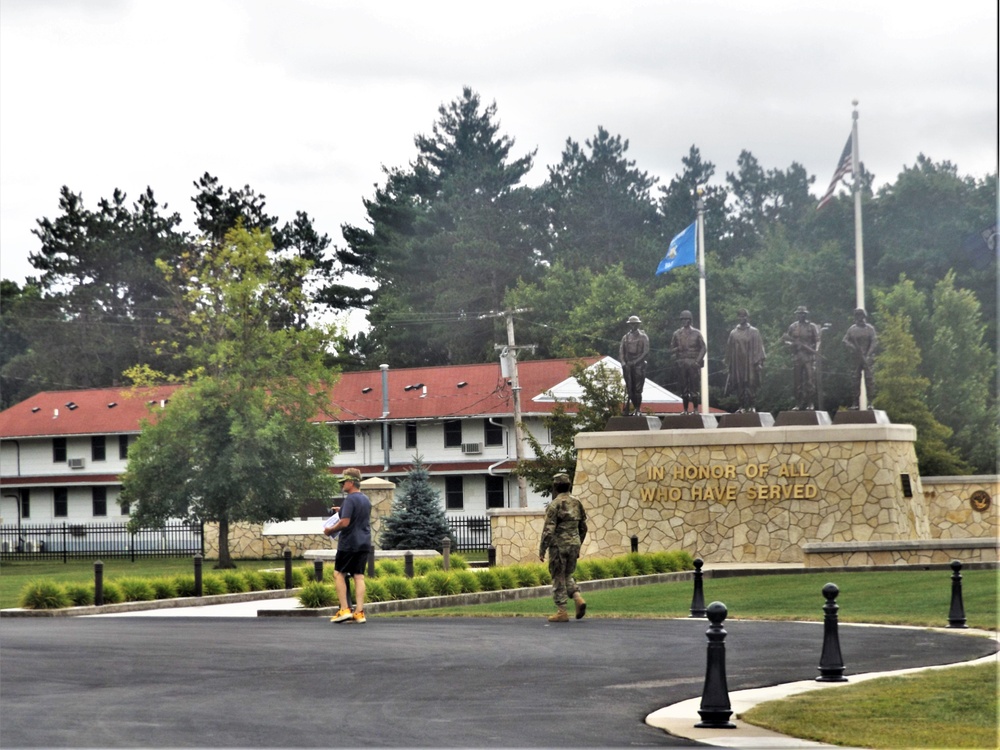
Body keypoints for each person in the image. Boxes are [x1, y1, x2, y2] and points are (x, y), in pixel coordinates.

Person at [538, 472, 588, 623]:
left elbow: (549, 529)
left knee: (558, 577)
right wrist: (578, 544)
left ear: (555, 487)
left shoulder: (555, 504)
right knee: (567, 575)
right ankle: (578, 598)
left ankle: (562, 611)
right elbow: (583, 527)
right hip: (574, 543)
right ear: (569, 485)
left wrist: (542, 549)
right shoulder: (577, 502)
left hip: (559, 546)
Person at [324, 468, 371, 624]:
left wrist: (330, 530)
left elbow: (345, 522)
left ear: (351, 483)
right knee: (359, 576)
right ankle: (359, 612)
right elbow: (356, 515)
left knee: (339, 574)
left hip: (349, 543)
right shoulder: (365, 499)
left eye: (344, 482)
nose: (342, 485)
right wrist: (341, 510)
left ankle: (344, 609)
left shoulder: (350, 499)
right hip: (364, 542)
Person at [724, 309, 766, 412]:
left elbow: (759, 347)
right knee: (740, 384)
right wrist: (729, 364)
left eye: (744, 316)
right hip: (738, 363)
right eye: (740, 316)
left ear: (747, 317)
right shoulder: (733, 333)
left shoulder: (754, 331)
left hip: (750, 362)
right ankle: (742, 406)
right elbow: (729, 349)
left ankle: (752, 406)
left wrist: (759, 362)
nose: (742, 318)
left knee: (751, 384)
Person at [781, 305, 820, 410]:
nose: (801, 315)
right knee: (797, 382)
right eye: (799, 314)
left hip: (808, 357)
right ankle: (798, 404)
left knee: (810, 381)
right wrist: (791, 344)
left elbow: (817, 340)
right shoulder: (793, 327)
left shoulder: (812, 326)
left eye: (803, 314)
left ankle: (810, 403)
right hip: (797, 356)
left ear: (806, 314)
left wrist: (815, 351)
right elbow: (785, 340)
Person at [670, 310, 707, 414]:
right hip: (682, 363)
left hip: (693, 363)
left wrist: (697, 361)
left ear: (690, 320)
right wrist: (677, 349)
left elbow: (703, 348)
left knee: (694, 387)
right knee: (683, 387)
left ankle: (695, 409)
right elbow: (671, 349)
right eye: (683, 319)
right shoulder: (677, 334)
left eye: (686, 319)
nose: (684, 321)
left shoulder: (697, 333)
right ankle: (685, 409)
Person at [842, 308, 878, 409]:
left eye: (861, 316)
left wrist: (868, 354)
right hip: (856, 358)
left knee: (869, 380)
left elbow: (874, 342)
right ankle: (855, 403)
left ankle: (870, 402)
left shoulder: (870, 329)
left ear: (864, 316)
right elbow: (845, 340)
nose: (859, 318)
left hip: (868, 358)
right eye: (857, 316)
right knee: (855, 380)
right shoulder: (852, 329)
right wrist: (852, 347)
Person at [619, 315, 650, 415]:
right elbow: (621, 352)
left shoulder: (643, 337)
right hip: (628, 366)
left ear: (638, 324)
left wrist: (636, 362)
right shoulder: (625, 337)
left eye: (635, 324)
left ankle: (637, 408)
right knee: (630, 389)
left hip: (639, 366)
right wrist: (624, 363)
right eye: (631, 324)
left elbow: (645, 351)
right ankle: (633, 407)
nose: (633, 326)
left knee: (637, 389)